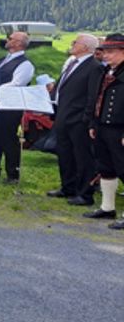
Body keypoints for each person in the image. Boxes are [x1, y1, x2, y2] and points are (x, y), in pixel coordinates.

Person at [46, 34, 102, 205]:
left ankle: (85, 193)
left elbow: (93, 96)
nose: (72, 44)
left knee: (83, 156)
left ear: (85, 47)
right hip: (63, 115)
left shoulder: (94, 67)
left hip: (78, 119)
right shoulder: (72, 63)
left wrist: (86, 119)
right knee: (64, 154)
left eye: (75, 42)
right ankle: (67, 186)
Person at [83, 34, 124, 228]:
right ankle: (107, 208)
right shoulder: (103, 72)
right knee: (106, 168)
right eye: (104, 51)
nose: (106, 55)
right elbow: (95, 99)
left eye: (111, 52)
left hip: (119, 129)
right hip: (101, 126)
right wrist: (92, 123)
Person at [0, 31, 35, 182]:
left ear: (19, 43)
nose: (7, 40)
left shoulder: (25, 64)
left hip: (11, 107)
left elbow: (17, 84)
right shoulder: (3, 59)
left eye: (10, 38)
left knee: (8, 139)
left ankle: (12, 173)